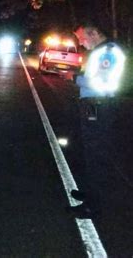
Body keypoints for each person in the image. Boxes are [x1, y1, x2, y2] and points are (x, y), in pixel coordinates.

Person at [66, 22, 126, 218]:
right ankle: (90, 193)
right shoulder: (100, 51)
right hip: (93, 104)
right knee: (87, 148)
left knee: (95, 152)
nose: (80, 43)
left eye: (82, 38)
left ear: (93, 33)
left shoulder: (107, 51)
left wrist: (75, 79)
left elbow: (101, 81)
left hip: (99, 105)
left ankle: (94, 204)